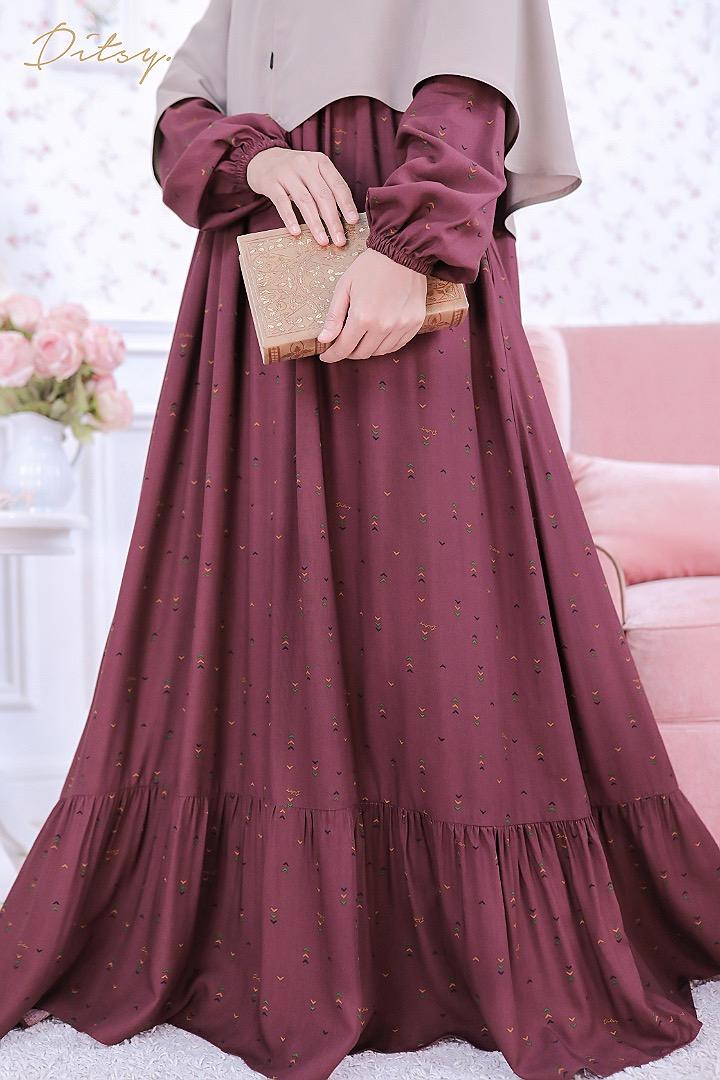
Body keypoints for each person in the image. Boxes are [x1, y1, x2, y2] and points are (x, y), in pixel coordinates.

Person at [1, 2, 718, 1078]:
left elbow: (473, 85)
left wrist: (409, 243)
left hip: (397, 251)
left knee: (436, 604)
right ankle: (275, 926)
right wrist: (255, 159)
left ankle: (454, 935)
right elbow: (184, 105)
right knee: (264, 601)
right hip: (260, 281)